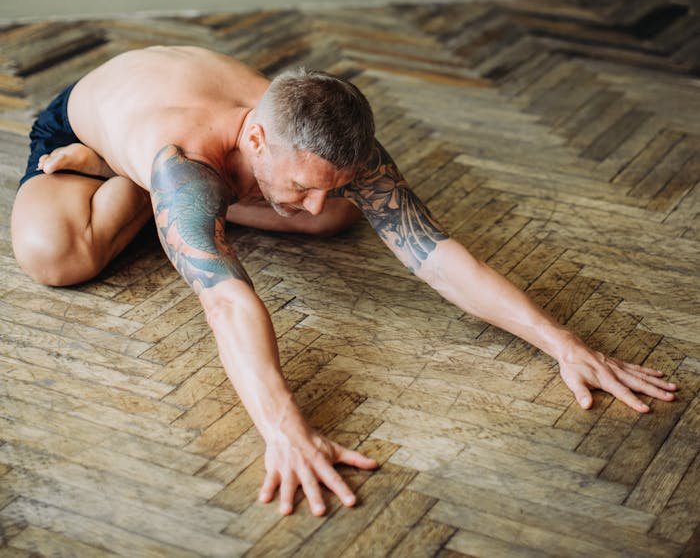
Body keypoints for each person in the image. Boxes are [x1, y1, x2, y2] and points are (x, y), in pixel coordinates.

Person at [11, 45, 677, 517]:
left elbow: (434, 251)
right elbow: (228, 303)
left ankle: (140, 182)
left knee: (331, 220)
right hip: (86, 116)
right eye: (298, 184)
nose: (308, 199)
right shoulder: (185, 164)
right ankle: (112, 168)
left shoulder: (327, 143)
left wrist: (564, 343)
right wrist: (284, 430)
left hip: (195, 127)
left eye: (319, 183)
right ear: (258, 137)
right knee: (58, 257)